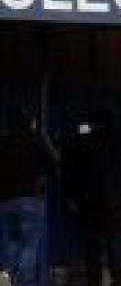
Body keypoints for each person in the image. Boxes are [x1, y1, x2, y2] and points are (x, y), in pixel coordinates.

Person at [62, 110, 121, 286]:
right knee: (115, 245)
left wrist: (71, 196)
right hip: (115, 202)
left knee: (93, 246)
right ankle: (118, 280)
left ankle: (94, 281)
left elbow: (72, 171)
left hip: (90, 203)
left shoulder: (83, 143)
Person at [0, 108, 58, 286]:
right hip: (30, 199)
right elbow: (53, 163)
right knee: (29, 247)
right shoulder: (36, 140)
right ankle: (23, 283)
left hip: (5, 201)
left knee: (9, 245)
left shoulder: (3, 142)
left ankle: (7, 278)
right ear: (29, 122)